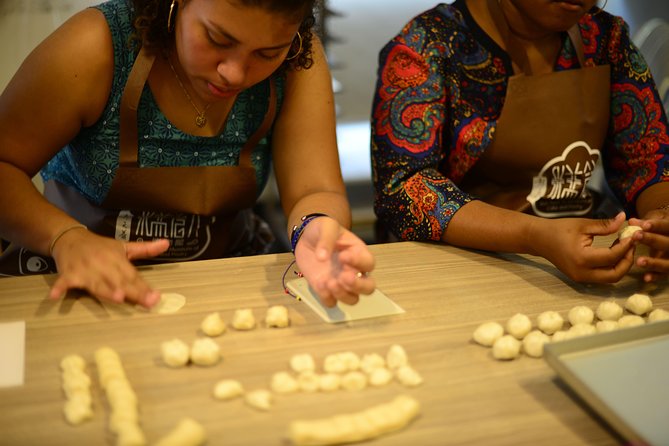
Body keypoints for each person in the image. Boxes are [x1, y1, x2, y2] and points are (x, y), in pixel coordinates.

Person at [0, 0, 375, 308]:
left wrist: (315, 228)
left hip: (224, 272)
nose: (234, 73)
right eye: (217, 39)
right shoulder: (95, 46)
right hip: (71, 269)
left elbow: (314, 190)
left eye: (267, 53)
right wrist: (65, 237)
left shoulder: (298, 61)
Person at [371, 0, 669, 285]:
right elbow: (403, 188)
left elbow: (649, 159)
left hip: (580, 241)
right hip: (456, 260)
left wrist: (661, 217)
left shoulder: (605, 38)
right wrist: (534, 236)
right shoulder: (427, 45)